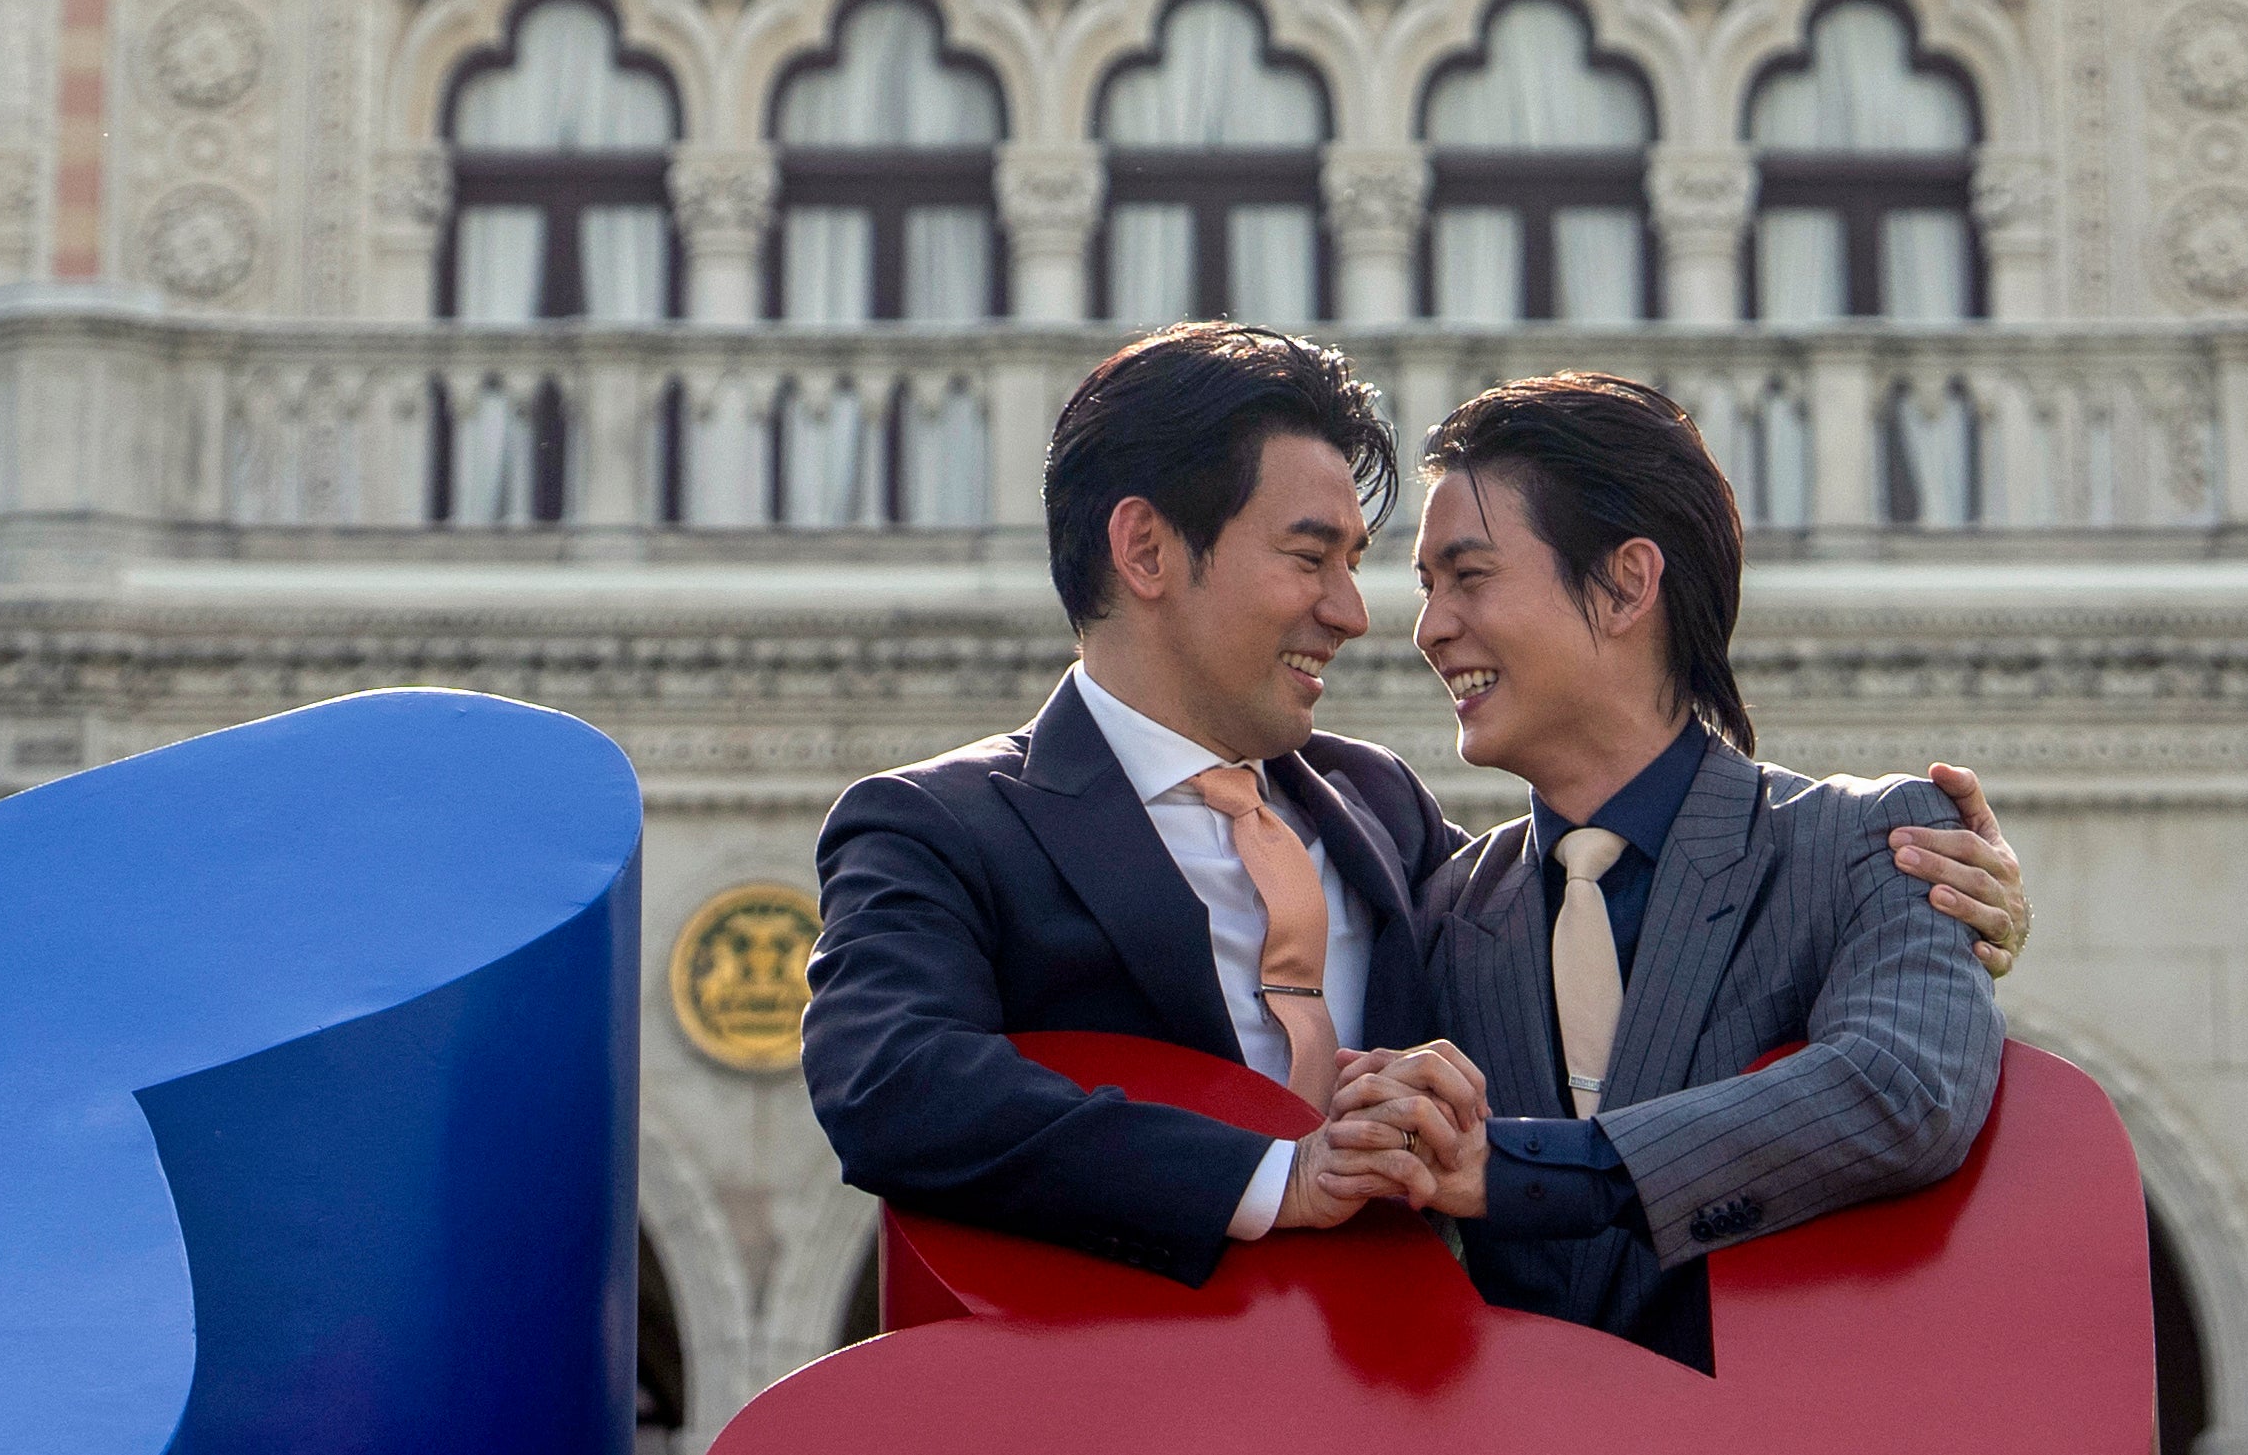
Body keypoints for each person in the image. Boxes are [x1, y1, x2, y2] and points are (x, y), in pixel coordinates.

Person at [800, 325, 2025, 1289]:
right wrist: (1281, 1176)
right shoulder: (939, 828)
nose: (1370, 616)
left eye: (1443, 574)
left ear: (1627, 584)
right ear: (1147, 550)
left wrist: (1949, 907)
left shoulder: (1386, 823)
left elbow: (1843, 1040)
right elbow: (892, 1081)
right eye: (1312, 555)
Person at [1325, 373, 2011, 1368]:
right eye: (1426, 586)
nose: (1428, 629)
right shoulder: (1442, 913)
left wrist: (1512, 1167)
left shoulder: (1876, 843)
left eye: (1466, 576)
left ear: (1626, 585)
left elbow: (1898, 1091)